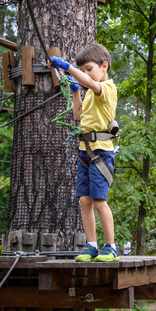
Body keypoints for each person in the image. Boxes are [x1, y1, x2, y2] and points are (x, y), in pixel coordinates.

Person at [50, 43, 118, 262]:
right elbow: (78, 115)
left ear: (104, 66)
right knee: (85, 201)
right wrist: (76, 92)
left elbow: (89, 82)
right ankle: (91, 244)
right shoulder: (89, 93)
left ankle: (111, 246)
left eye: (89, 68)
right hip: (84, 150)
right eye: (84, 69)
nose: (86, 74)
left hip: (100, 152)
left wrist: (68, 67)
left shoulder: (107, 88)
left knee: (99, 200)